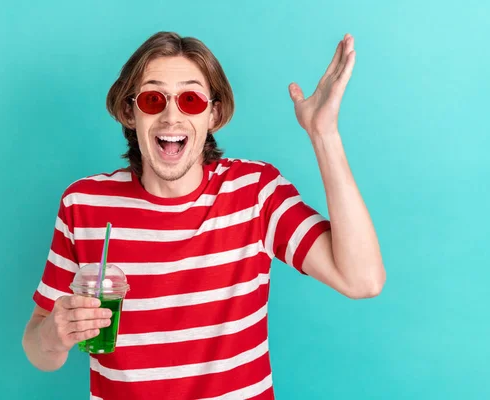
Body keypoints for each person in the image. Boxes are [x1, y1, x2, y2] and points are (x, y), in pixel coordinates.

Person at [22, 31, 385, 399]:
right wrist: (55, 334)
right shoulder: (84, 204)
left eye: (191, 100)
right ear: (130, 112)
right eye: (153, 99)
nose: (171, 116)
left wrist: (324, 134)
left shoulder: (255, 192)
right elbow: (39, 351)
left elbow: (363, 281)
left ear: (214, 113)